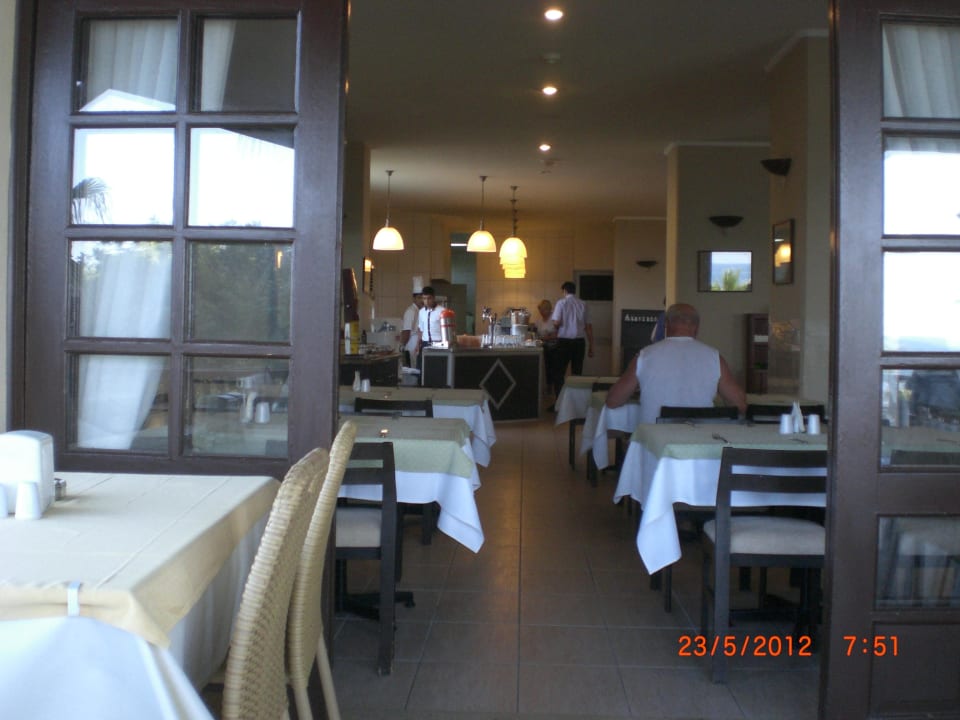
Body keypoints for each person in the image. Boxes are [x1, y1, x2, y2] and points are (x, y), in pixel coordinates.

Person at [606, 302, 746, 423]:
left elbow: (613, 400)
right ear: (697, 327)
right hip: (699, 441)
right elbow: (739, 404)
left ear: (666, 324)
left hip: (654, 441)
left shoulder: (645, 355)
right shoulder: (715, 358)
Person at [550, 281, 593, 398]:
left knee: (559, 373)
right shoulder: (583, 304)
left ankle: (559, 401)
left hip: (564, 342)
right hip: (579, 343)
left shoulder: (561, 303)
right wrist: (591, 346)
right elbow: (588, 327)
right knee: (577, 373)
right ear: (574, 291)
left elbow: (556, 323)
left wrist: (555, 325)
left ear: (564, 291)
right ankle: (575, 401)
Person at [535, 299, 558, 398]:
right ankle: (547, 388)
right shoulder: (539, 321)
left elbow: (558, 335)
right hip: (543, 348)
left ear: (548, 309)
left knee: (552, 369)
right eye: (540, 310)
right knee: (546, 368)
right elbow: (536, 332)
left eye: (543, 310)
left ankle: (552, 389)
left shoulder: (554, 320)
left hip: (553, 348)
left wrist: (546, 337)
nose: (541, 312)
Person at [400, 290, 423, 366]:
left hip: (417, 345)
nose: (421, 300)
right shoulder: (410, 311)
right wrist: (402, 346)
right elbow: (407, 331)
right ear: (414, 299)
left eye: (422, 298)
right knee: (412, 369)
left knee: (416, 368)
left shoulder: (418, 311)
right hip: (411, 345)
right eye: (419, 298)